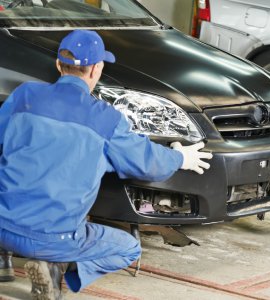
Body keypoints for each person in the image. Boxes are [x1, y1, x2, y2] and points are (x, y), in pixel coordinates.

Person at [0, 29, 212, 299]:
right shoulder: (105, 119)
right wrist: (182, 157)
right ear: (96, 69)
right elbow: (147, 162)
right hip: (54, 239)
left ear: (58, 65)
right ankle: (53, 266)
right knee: (128, 249)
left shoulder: (24, 96)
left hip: (2, 225)